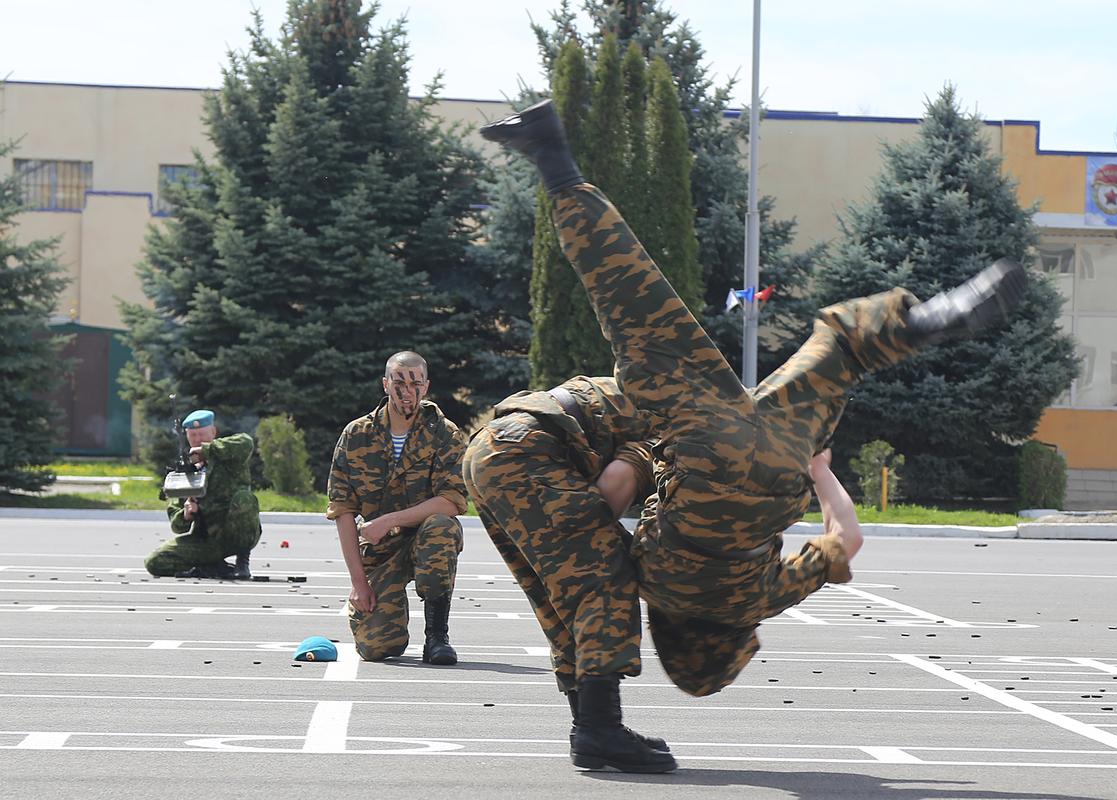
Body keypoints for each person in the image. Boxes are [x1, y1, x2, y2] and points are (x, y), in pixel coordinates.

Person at [480, 101, 1028, 702]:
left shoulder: (766, 596)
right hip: (702, 436)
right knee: (628, 295)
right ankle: (551, 153)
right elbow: (610, 499)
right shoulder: (650, 586)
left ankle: (920, 323)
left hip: (779, 467)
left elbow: (848, 537)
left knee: (843, 351)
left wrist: (819, 472)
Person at [464, 375, 675, 773]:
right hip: (526, 452)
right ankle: (601, 730)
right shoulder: (673, 430)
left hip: (490, 448)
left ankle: (588, 728)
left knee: (557, 592)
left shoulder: (655, 395)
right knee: (604, 577)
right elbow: (613, 492)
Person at [327, 351, 467, 665]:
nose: (408, 391)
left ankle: (437, 636)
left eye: (416, 383)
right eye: (399, 382)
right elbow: (342, 510)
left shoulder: (445, 434)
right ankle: (381, 618)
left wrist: (388, 519)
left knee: (443, 527)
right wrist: (359, 584)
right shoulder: (356, 435)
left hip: (425, 540)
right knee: (378, 648)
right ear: (385, 384)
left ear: (426, 386)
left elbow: (452, 500)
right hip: (379, 553)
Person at [145, 409, 261, 580]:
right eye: (193, 436)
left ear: (213, 432)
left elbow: (246, 442)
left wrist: (206, 450)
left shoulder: (227, 457)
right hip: (206, 539)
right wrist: (186, 514)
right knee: (155, 562)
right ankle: (213, 567)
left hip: (235, 533)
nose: (198, 440)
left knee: (244, 499)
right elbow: (177, 527)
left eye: (202, 434)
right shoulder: (185, 473)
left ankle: (242, 562)